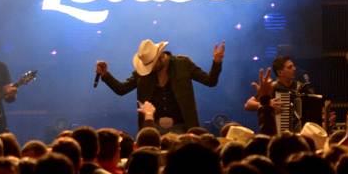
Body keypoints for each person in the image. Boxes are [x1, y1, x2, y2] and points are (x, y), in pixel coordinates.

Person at [95, 39, 224, 132]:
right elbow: (121, 89)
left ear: (161, 57)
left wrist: (216, 62)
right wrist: (105, 75)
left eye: (152, 65)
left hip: (183, 127)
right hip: (153, 129)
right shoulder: (142, 74)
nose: (149, 69)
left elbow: (210, 81)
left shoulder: (183, 64)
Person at [244, 56, 314, 132]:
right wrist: (267, 104)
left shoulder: (300, 87)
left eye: (293, 66)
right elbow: (248, 105)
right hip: (276, 132)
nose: (294, 69)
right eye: (290, 67)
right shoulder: (271, 87)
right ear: (280, 72)